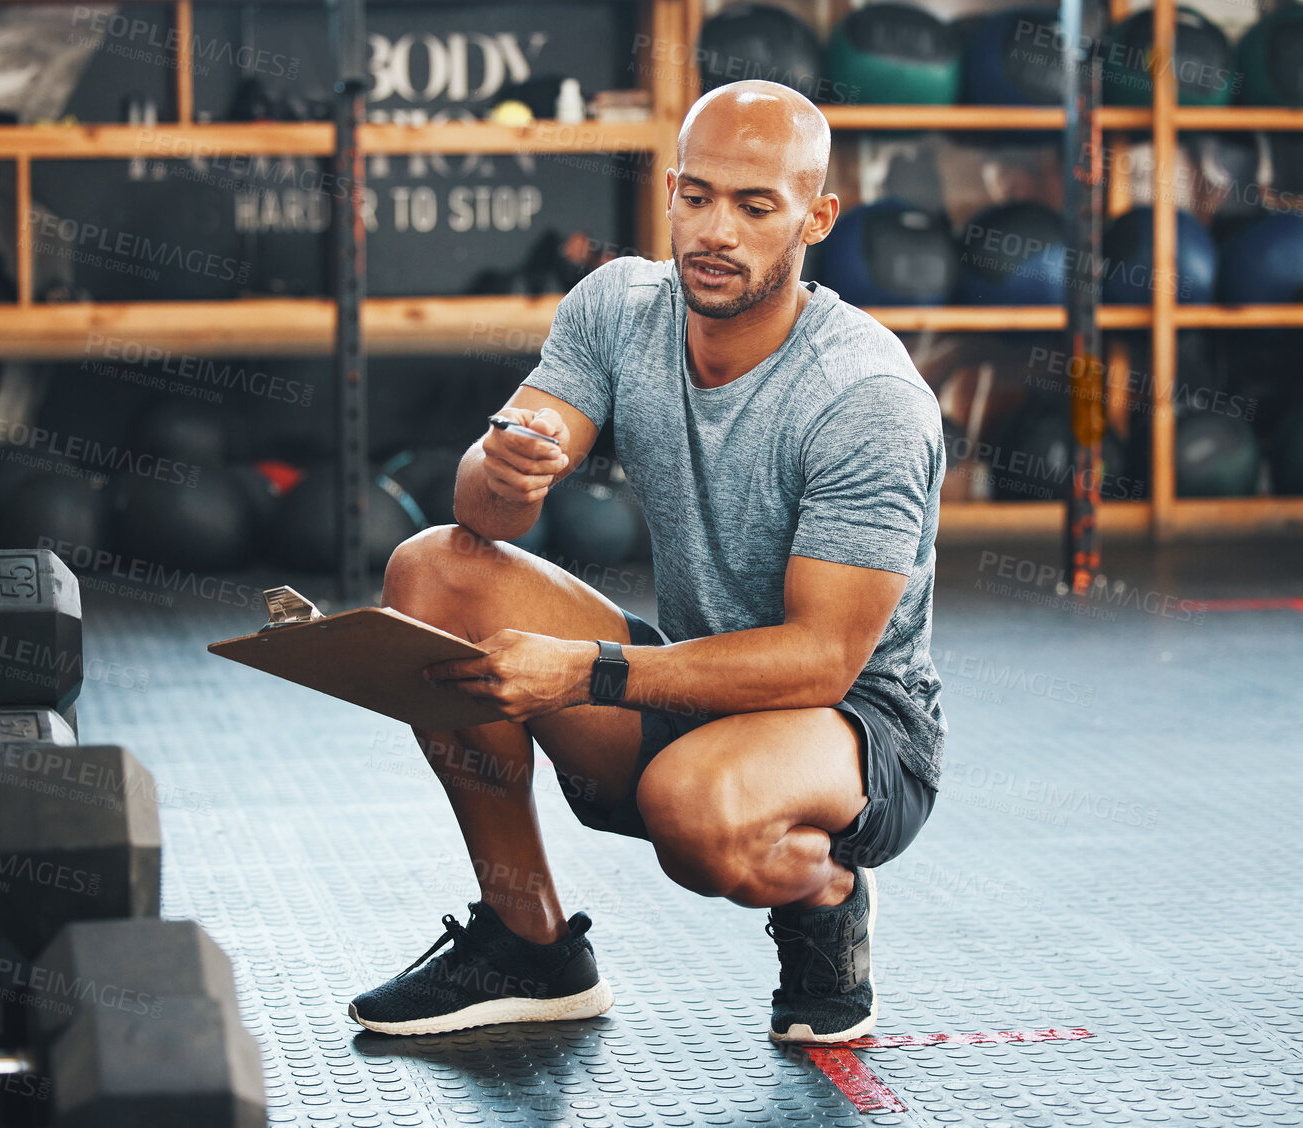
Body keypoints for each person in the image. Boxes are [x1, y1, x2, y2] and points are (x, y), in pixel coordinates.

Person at [349, 79, 946, 1044]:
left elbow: (821, 660)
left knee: (692, 807)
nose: (716, 230)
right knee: (433, 573)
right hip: (691, 685)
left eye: (755, 207)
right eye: (698, 195)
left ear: (816, 217)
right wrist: (503, 468)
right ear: (668, 189)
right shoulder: (620, 308)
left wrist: (586, 673)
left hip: (852, 726)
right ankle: (528, 944)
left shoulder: (864, 397)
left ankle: (825, 890)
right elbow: (481, 515)